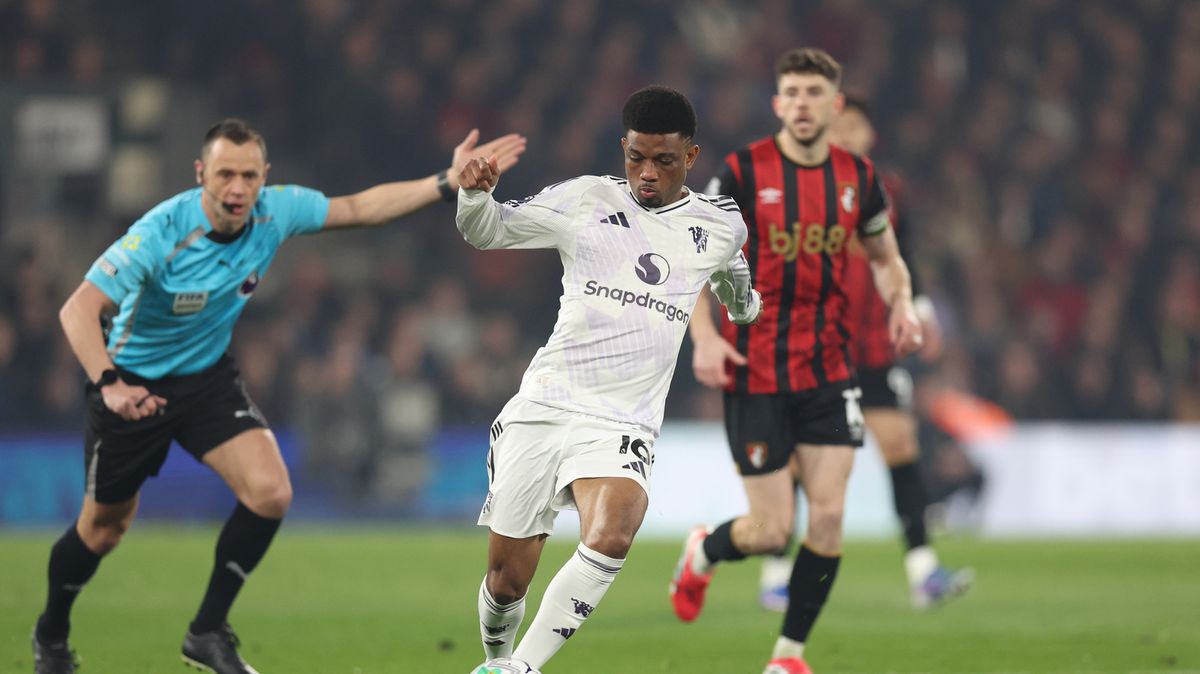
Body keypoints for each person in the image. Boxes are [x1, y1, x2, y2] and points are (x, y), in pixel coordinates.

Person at [32, 118, 527, 674]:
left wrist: (446, 181)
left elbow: (359, 208)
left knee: (270, 492)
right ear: (200, 175)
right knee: (103, 530)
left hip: (205, 378)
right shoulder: (162, 232)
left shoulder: (277, 209)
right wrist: (111, 384)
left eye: (249, 176)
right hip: (134, 385)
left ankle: (206, 632)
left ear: (264, 176)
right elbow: (79, 308)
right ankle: (51, 636)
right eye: (225, 174)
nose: (238, 188)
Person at [456, 85, 761, 672]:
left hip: (623, 419)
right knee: (506, 581)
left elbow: (735, 281)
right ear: (623, 147)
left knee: (615, 530)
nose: (647, 173)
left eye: (664, 161)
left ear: (691, 156)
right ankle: (497, 658)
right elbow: (489, 230)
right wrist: (475, 195)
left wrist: (746, 309)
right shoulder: (584, 198)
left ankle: (522, 668)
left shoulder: (719, 224)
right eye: (636, 157)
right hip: (546, 405)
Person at [668, 48, 922, 674]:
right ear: (778, 103)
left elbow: (886, 258)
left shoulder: (858, 178)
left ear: (834, 105)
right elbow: (696, 259)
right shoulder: (742, 171)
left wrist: (902, 305)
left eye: (814, 93)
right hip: (756, 369)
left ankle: (788, 656)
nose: (802, 104)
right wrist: (705, 337)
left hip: (830, 369)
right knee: (772, 531)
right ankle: (704, 551)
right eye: (792, 93)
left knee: (829, 517)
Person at [755, 95, 973, 613]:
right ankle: (777, 573)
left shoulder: (887, 191)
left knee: (900, 444)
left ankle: (923, 571)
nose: (847, 135)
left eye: (855, 126)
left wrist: (919, 308)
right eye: (839, 126)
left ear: (870, 134)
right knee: (800, 459)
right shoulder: (799, 189)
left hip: (872, 348)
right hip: (816, 345)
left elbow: (905, 255)